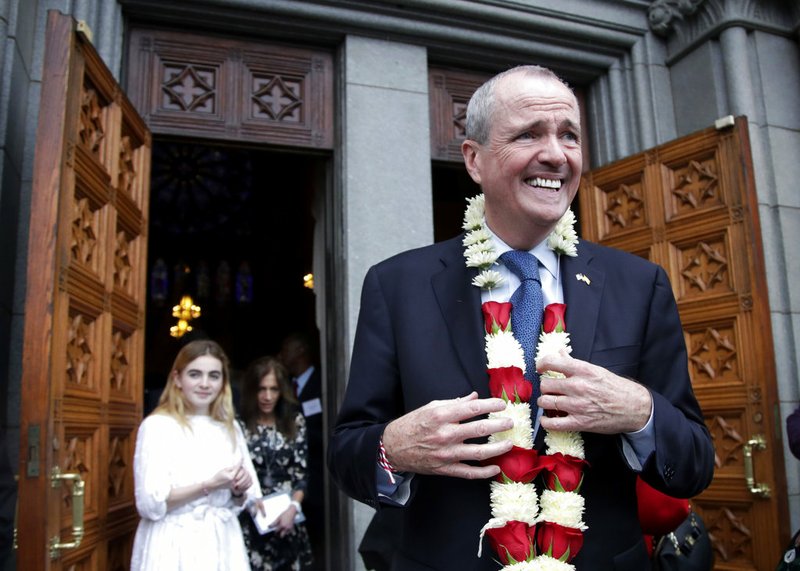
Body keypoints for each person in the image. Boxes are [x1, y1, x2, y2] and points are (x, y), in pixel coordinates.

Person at [329, 64, 715, 570]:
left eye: (569, 135)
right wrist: (392, 450)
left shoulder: (638, 285)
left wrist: (640, 412)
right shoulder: (398, 285)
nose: (555, 154)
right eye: (528, 134)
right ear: (474, 160)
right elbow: (347, 453)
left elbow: (694, 464)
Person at [131, 340, 260, 571]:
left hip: (223, 541)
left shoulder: (230, 427)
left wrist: (239, 489)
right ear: (177, 379)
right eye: (194, 374)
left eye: (213, 376)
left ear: (223, 383)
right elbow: (151, 503)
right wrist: (208, 485)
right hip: (175, 543)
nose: (204, 384)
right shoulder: (158, 426)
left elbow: (244, 498)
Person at [238, 356, 314, 570]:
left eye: (274, 389)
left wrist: (293, 508)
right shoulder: (239, 424)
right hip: (251, 515)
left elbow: (301, 475)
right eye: (261, 389)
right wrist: (249, 501)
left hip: (288, 517)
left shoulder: (295, 422)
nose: (267, 396)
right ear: (252, 390)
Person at [279, 332, 324, 569]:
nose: (282, 356)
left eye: (286, 349)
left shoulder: (323, 381)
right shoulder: (285, 387)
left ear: (300, 352)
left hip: (318, 476)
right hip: (291, 478)